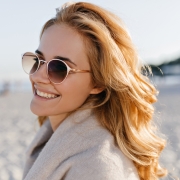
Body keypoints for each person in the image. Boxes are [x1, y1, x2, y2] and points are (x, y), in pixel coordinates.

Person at [21, 2, 167, 180]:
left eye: (59, 68)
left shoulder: (96, 169)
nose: (37, 76)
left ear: (98, 82)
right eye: (38, 60)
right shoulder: (55, 138)